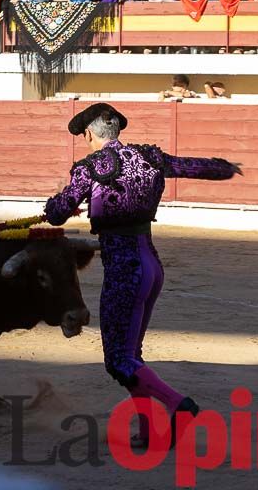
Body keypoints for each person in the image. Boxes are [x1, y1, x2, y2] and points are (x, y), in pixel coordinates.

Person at [43, 103, 240, 447]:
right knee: (131, 355)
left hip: (124, 270)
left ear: (89, 134)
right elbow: (191, 166)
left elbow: (58, 213)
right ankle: (149, 432)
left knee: (118, 360)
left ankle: (179, 405)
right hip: (150, 265)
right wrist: (225, 168)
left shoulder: (91, 167)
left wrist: (57, 203)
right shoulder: (148, 157)